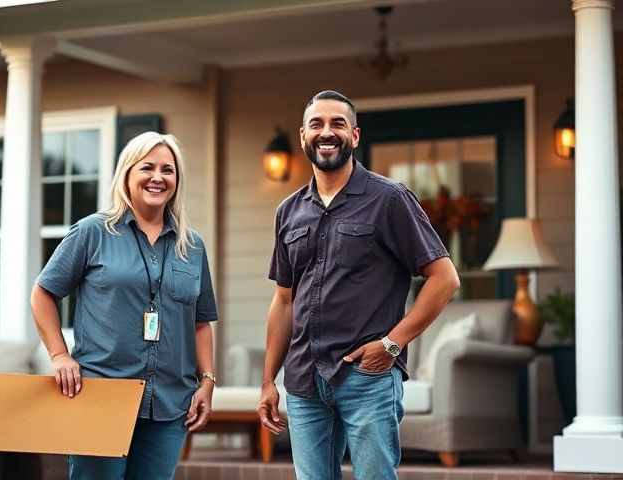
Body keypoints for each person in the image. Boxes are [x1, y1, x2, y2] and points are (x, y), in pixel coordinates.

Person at [257, 90, 460, 479]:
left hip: (366, 377)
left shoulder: (390, 199)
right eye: (316, 124)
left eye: (337, 123)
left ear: (354, 134)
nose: (326, 132)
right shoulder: (289, 211)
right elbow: (283, 302)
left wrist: (391, 344)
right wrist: (268, 381)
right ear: (303, 136)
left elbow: (444, 279)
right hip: (303, 381)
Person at [31, 131, 218, 480]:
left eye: (168, 169)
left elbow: (201, 321)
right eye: (147, 167)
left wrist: (207, 380)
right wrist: (59, 355)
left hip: (169, 404)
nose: (158, 177)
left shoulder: (191, 245)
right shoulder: (92, 232)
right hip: (101, 395)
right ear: (127, 174)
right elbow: (43, 293)